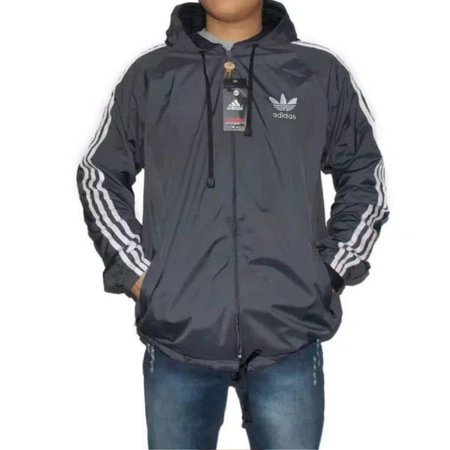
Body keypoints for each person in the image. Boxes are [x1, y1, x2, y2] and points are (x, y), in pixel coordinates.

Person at [76, 0, 389, 448]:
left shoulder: (317, 73)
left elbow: (364, 174)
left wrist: (328, 272)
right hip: (178, 341)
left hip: (288, 341)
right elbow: (99, 175)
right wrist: (142, 276)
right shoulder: (152, 75)